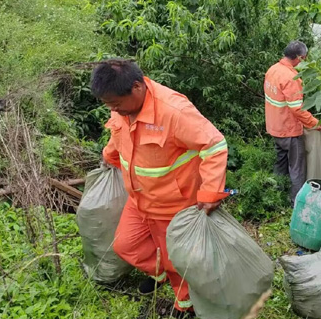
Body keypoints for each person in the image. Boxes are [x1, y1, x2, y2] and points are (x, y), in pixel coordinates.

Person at [92, 59, 228, 317]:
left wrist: (210, 193)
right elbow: (118, 136)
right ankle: (161, 274)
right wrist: (110, 156)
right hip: (139, 199)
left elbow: (214, 145)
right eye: (108, 105)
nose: (113, 110)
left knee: (176, 260)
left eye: (116, 104)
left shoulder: (173, 112)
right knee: (125, 245)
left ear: (137, 87)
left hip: (171, 204)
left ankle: (185, 304)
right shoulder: (121, 108)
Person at [264, 41, 321, 202]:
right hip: (289, 129)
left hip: (274, 126)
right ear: (300, 57)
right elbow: (297, 109)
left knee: (280, 161)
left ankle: (277, 194)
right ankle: (296, 202)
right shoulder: (291, 78)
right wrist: (315, 124)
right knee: (296, 168)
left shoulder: (273, 70)